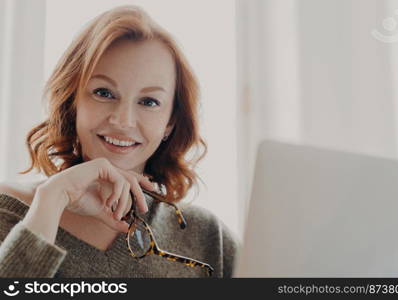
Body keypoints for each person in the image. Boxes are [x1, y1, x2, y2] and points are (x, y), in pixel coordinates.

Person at [0, 5, 238, 278]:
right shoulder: (8, 212)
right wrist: (50, 203)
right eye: (103, 93)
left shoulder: (207, 238)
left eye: (149, 101)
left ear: (170, 122)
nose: (123, 121)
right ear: (72, 102)